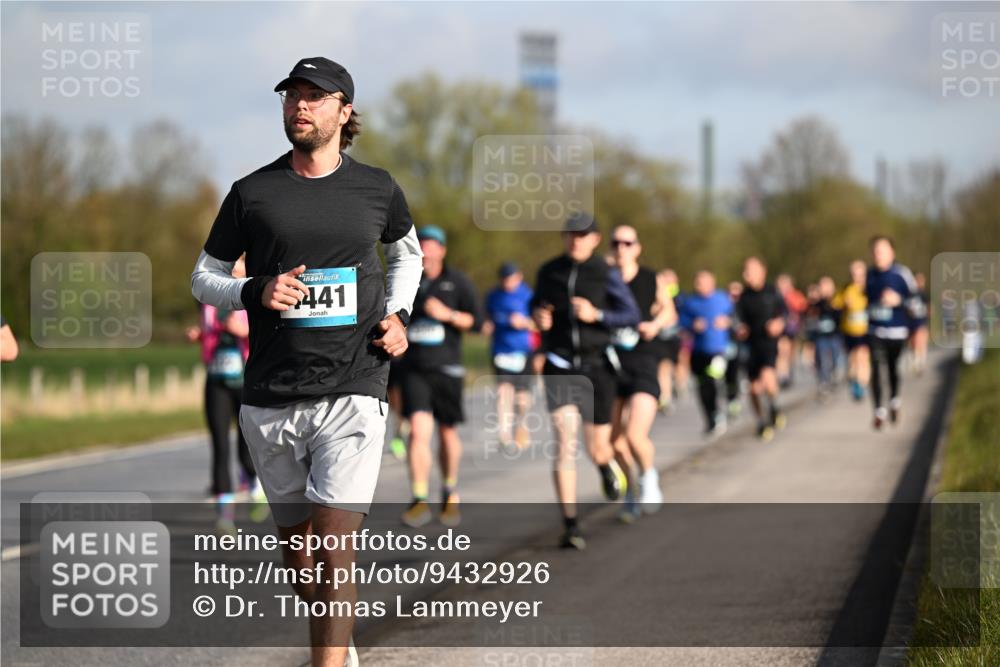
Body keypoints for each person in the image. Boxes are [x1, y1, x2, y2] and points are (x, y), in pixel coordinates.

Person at [191, 56, 422, 667]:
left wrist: (397, 314)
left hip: (355, 382)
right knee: (299, 557)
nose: (300, 105)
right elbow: (203, 278)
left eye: (316, 97)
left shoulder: (377, 187)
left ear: (345, 112)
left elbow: (408, 256)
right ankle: (337, 648)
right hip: (270, 392)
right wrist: (253, 290)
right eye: (293, 94)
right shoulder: (252, 193)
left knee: (334, 548)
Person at [531, 213, 640, 550]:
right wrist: (539, 315)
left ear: (594, 240)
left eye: (583, 235)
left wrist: (598, 315)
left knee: (597, 447)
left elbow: (631, 314)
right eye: (570, 235)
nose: (576, 240)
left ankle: (607, 467)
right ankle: (570, 524)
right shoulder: (549, 271)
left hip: (596, 367)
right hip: (561, 364)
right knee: (564, 441)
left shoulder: (605, 274)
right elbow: (535, 304)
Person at [399, 225, 481, 529]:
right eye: (422, 245)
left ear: (442, 251)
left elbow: (476, 322)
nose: (427, 251)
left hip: (448, 368)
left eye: (432, 245)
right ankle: (419, 497)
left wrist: (447, 315)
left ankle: (448, 489)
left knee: (447, 432)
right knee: (418, 431)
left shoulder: (457, 282)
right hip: (415, 368)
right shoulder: (407, 281)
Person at [186, 256, 267, 533]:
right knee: (220, 446)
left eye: (237, 266)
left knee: (246, 451)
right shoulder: (208, 300)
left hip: (245, 381)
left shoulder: (254, 297)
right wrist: (198, 335)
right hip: (216, 380)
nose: (231, 270)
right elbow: (208, 331)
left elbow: (265, 333)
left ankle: (257, 484)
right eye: (228, 266)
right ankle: (225, 516)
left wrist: (243, 331)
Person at [607, 225, 675, 521]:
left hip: (644, 361)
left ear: (637, 247)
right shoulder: (603, 279)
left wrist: (655, 325)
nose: (621, 248)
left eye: (627, 242)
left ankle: (649, 476)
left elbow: (669, 311)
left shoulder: (649, 278)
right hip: (611, 364)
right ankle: (631, 490)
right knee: (613, 443)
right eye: (616, 243)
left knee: (635, 435)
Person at [866, 235, 919, 430]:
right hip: (875, 330)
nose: (877, 254)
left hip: (897, 331)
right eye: (874, 251)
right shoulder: (869, 275)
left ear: (892, 252)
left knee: (892, 370)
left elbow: (917, 303)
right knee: (876, 368)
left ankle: (894, 401)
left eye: (881, 250)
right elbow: (865, 301)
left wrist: (899, 301)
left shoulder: (902, 274)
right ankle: (879, 411)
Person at [484, 261, 536, 454]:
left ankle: (521, 426)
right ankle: (504, 435)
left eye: (511, 278)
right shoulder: (493, 296)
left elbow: (538, 323)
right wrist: (487, 325)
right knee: (504, 391)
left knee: (521, 399)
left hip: (523, 350)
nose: (508, 283)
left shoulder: (528, 296)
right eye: (505, 279)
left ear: (519, 277)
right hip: (501, 351)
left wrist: (524, 323)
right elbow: (487, 317)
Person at [736, 257, 787, 441]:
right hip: (751, 344)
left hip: (768, 342)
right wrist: (739, 328)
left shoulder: (773, 292)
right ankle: (761, 422)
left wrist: (778, 323)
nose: (747, 275)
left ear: (762, 271)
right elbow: (737, 319)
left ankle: (774, 406)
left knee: (768, 378)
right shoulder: (743, 296)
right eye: (745, 271)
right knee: (754, 389)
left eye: (750, 271)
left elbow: (785, 314)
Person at [678, 271, 733, 437]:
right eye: (697, 282)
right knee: (702, 387)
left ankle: (719, 413)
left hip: (719, 350)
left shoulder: (723, 299)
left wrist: (728, 322)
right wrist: (692, 324)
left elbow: (737, 317)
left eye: (702, 282)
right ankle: (710, 419)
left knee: (712, 380)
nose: (699, 285)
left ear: (712, 283)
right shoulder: (690, 302)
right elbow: (681, 320)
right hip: (698, 351)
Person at [832, 260, 869, 401]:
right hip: (848, 330)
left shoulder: (868, 289)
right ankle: (855, 382)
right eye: (854, 274)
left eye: (859, 274)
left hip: (865, 330)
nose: (856, 277)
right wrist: (844, 304)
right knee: (853, 359)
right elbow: (835, 304)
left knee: (863, 356)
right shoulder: (846, 288)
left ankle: (862, 385)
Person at [651, 269, 682, 413]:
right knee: (662, 366)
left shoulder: (679, 296)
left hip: (673, 337)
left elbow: (680, 315)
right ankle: (665, 396)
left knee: (669, 366)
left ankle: (673, 388)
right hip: (658, 336)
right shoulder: (655, 293)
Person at [806, 276, 842, 400]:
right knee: (821, 358)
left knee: (835, 358)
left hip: (835, 335)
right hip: (821, 336)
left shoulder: (837, 301)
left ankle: (832, 375)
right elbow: (809, 318)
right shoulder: (816, 304)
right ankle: (823, 381)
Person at [776, 273, 807, 388]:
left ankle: (788, 370)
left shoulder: (795, 295)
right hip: (780, 328)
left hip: (792, 328)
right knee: (781, 350)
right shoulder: (776, 296)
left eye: (784, 283)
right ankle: (782, 374)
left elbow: (803, 307)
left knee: (789, 351)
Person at [724, 281, 747, 419]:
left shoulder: (744, 306)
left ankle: (734, 397)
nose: (735, 295)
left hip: (743, 345)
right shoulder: (724, 306)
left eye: (738, 292)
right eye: (732, 292)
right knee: (728, 374)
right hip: (725, 345)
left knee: (736, 371)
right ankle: (730, 397)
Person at [908, 272, 930, 376]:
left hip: (922, 321)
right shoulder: (910, 293)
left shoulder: (924, 294)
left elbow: (929, 308)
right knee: (913, 343)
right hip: (911, 321)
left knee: (921, 340)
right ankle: (916, 361)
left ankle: (921, 362)